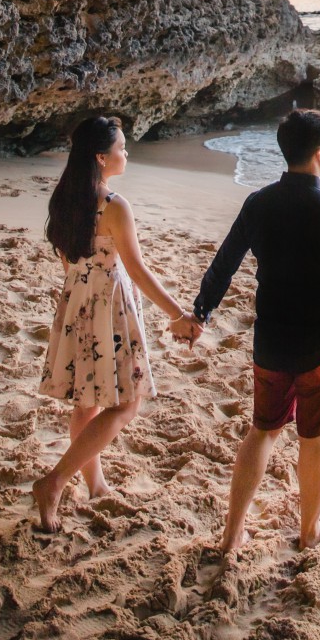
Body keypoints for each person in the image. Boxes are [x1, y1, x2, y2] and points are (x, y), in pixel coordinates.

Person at [188, 108, 320, 554]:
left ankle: (232, 534)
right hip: (319, 344)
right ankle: (308, 532)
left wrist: (202, 311)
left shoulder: (259, 203)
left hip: (270, 339)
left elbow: (225, 262)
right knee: (313, 440)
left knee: (262, 430)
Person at [33, 114, 197, 530]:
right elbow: (138, 271)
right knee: (126, 405)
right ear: (102, 158)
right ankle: (55, 481)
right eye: (122, 148)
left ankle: (97, 484)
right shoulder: (112, 205)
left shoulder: (65, 199)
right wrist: (178, 314)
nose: (127, 152)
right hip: (108, 305)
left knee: (85, 402)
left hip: (76, 302)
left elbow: (68, 259)